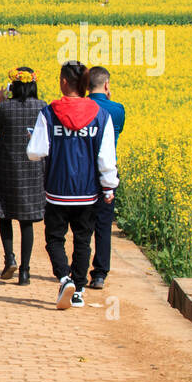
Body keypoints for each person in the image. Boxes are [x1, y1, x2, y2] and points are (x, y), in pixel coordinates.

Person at [26, 60, 119, 310]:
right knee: (82, 239)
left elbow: (36, 152)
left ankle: (64, 277)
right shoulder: (101, 115)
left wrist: (33, 138)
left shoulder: (49, 113)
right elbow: (106, 157)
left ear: (64, 82)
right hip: (88, 192)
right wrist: (109, 187)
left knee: (54, 238)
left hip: (57, 190)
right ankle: (78, 289)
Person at [0, 68, 46, 285]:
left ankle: (9, 257)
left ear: (15, 86)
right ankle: (25, 272)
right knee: (27, 221)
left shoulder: (6, 107)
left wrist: (1, 101)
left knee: (5, 214)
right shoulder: (42, 108)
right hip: (32, 169)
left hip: (7, 166)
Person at [85, 66, 126, 290]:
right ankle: (99, 274)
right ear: (107, 85)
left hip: (84, 173)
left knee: (81, 223)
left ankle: (77, 268)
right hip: (108, 172)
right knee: (103, 225)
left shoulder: (82, 108)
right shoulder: (117, 109)